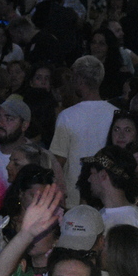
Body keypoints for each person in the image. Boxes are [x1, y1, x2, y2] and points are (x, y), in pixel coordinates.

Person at [50, 56, 116, 203]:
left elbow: (57, 161)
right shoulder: (116, 114)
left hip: (74, 200)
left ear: (78, 79)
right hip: (108, 197)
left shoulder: (67, 116)